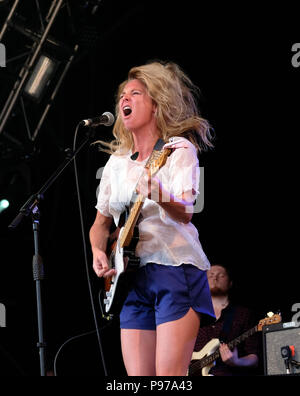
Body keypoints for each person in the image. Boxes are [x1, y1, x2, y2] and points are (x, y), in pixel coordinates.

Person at [89, 60, 215, 376]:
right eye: (122, 95)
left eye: (135, 93)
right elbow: (100, 224)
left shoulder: (179, 150)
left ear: (157, 105)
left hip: (175, 269)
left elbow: (186, 211)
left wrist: (157, 192)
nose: (124, 100)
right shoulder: (116, 164)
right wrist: (98, 251)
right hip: (129, 278)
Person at [193, 264, 260, 376]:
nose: (215, 278)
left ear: (230, 283)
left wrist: (237, 361)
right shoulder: (194, 315)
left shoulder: (243, 314)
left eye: (221, 275)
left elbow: (255, 357)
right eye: (211, 275)